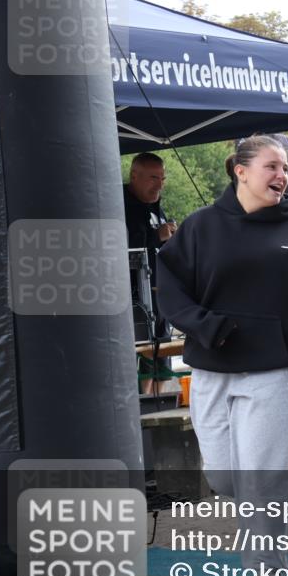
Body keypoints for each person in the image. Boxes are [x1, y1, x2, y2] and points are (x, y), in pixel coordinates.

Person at [157, 136, 288, 576]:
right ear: (240, 171)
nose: (282, 175)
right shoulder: (201, 227)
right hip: (212, 368)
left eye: (285, 167)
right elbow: (169, 285)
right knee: (226, 480)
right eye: (271, 166)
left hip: (276, 370)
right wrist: (204, 325)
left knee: (259, 483)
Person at [123, 152, 177, 395]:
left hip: (160, 296)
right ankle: (143, 406)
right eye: (153, 178)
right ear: (134, 175)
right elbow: (120, 248)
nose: (159, 185)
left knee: (162, 357)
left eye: (162, 179)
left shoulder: (156, 207)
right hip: (133, 300)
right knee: (141, 356)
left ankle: (160, 400)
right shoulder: (118, 205)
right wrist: (157, 236)